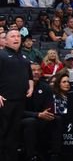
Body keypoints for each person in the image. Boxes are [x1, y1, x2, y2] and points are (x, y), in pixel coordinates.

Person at [0, 29, 34, 161]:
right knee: (3, 132)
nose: (16, 38)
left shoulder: (24, 57)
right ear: (5, 40)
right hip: (4, 101)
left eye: (18, 36)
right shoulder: (1, 55)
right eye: (12, 36)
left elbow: (30, 75)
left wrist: (30, 86)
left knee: (14, 134)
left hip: (20, 101)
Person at [22, 62, 62, 161]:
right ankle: (31, 156)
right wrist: (37, 114)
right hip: (23, 118)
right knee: (31, 122)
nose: (36, 72)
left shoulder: (46, 87)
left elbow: (49, 108)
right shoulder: (20, 87)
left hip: (41, 117)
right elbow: (17, 111)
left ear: (41, 72)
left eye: (38, 70)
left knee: (57, 119)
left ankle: (55, 154)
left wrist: (45, 114)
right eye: (33, 70)